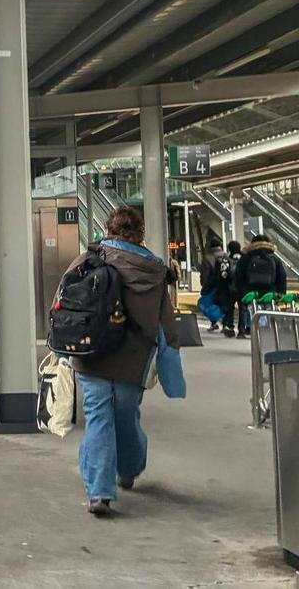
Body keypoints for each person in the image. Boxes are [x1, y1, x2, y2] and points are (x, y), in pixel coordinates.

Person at [70, 207, 178, 517]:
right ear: (141, 233)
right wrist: (170, 354)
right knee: (127, 414)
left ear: (107, 228)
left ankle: (99, 493)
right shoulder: (155, 270)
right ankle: (129, 468)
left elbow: (64, 303)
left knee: (98, 417)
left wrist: (65, 349)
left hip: (93, 353)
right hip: (134, 356)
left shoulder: (90, 259)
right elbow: (166, 324)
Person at [235, 233, 288, 317]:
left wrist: (240, 292)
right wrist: (281, 292)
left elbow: (238, 275)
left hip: (250, 293)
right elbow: (281, 276)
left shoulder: (247, 257)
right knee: (269, 314)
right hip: (270, 292)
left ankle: (247, 328)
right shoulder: (274, 258)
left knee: (250, 315)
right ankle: (267, 328)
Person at [200, 241, 235, 337]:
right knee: (223, 304)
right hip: (224, 284)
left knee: (209, 303)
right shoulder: (225, 256)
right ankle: (225, 324)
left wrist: (204, 284)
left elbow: (205, 273)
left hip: (212, 285)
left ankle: (214, 322)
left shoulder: (208, 258)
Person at [226, 240, 248, 338]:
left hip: (230, 288)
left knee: (230, 309)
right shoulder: (244, 258)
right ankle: (241, 330)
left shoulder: (227, 259)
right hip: (242, 288)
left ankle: (230, 327)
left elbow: (224, 274)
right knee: (243, 309)